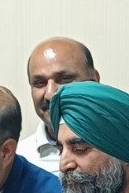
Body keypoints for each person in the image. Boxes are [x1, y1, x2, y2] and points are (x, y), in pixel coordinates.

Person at [20, 37, 100, 173]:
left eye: (64, 79)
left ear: (93, 80)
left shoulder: (126, 151)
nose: (50, 94)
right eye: (39, 83)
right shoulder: (17, 162)